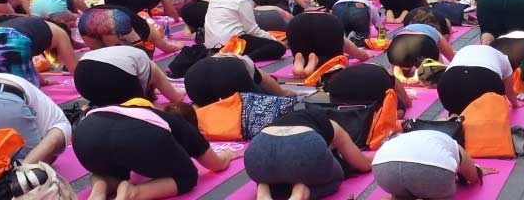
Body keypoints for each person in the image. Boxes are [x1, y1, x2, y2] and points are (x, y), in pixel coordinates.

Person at [73, 100, 239, 199]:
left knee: (109, 168)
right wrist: (228, 155)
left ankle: (100, 188)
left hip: (85, 133)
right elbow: (215, 164)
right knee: (188, 177)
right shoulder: (183, 128)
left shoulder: (141, 110)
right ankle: (133, 193)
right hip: (136, 135)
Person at [244, 109, 373, 200]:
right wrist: (377, 155)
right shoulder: (332, 126)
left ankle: (264, 188)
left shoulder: (281, 121)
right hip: (305, 147)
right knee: (337, 176)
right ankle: (303, 192)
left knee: (278, 171)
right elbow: (363, 164)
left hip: (256, 149)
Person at [373, 130, 497, 200]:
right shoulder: (453, 146)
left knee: (401, 194)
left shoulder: (410, 138)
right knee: (433, 191)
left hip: (382, 165)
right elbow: (472, 176)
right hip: (432, 170)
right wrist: (478, 170)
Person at [204, 0, 286, 61]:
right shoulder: (242, 0)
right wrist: (273, 40)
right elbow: (253, 30)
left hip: (211, 44)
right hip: (232, 43)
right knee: (278, 48)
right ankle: (245, 60)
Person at [74, 46, 185, 107]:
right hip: (113, 72)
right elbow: (176, 97)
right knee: (137, 109)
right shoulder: (152, 69)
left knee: (107, 101)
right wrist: (182, 91)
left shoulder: (140, 64)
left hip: (82, 71)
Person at [0, 72, 71, 164]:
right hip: (8, 100)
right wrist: (27, 166)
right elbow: (52, 143)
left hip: (9, 93)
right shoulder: (62, 124)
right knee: (26, 173)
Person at [184, 54, 295, 107]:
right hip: (230, 73)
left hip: (192, 78)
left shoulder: (233, 59)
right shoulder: (248, 66)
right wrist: (284, 94)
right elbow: (269, 84)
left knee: (207, 110)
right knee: (267, 107)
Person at [438, 45, 521, 115]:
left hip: (449, 81)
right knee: (487, 115)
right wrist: (516, 104)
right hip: (484, 79)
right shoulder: (504, 58)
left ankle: (454, 126)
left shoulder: (465, 49)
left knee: (456, 111)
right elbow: (509, 90)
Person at [0, 15, 77, 85]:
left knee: (3, 81)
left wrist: (44, 82)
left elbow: (29, 65)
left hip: (1, 31)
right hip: (15, 38)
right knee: (26, 89)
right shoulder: (61, 33)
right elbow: (74, 70)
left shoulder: (34, 26)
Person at [287, 11, 371, 78]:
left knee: (303, 50)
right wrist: (365, 55)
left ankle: (302, 60)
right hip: (327, 24)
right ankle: (317, 60)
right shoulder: (329, 19)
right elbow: (347, 45)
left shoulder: (299, 18)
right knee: (336, 61)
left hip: (296, 24)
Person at [388, 23, 455, 85]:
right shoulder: (436, 33)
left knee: (398, 62)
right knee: (433, 67)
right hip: (423, 42)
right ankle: (418, 74)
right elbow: (451, 57)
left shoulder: (406, 29)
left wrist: (394, 65)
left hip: (397, 47)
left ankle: (399, 73)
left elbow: (392, 44)